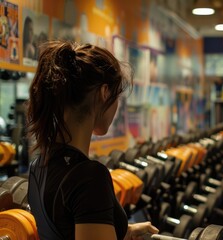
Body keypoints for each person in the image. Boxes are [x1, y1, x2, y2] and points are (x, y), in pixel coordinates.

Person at [27, 41, 159, 240]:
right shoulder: (89, 177)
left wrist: (124, 232)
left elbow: (67, 230)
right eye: (117, 97)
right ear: (104, 93)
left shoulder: (38, 167)